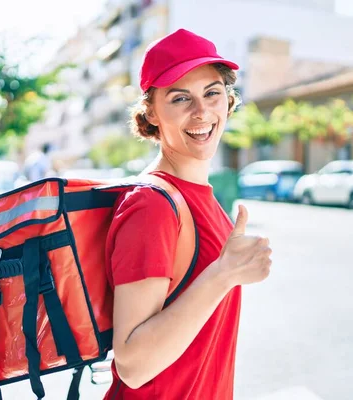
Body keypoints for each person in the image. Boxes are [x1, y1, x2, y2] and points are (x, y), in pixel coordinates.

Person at [103, 29, 273, 400]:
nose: (202, 112)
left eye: (212, 93)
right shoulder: (151, 206)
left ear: (228, 101)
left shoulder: (204, 201)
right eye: (181, 98)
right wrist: (222, 275)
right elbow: (133, 366)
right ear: (151, 112)